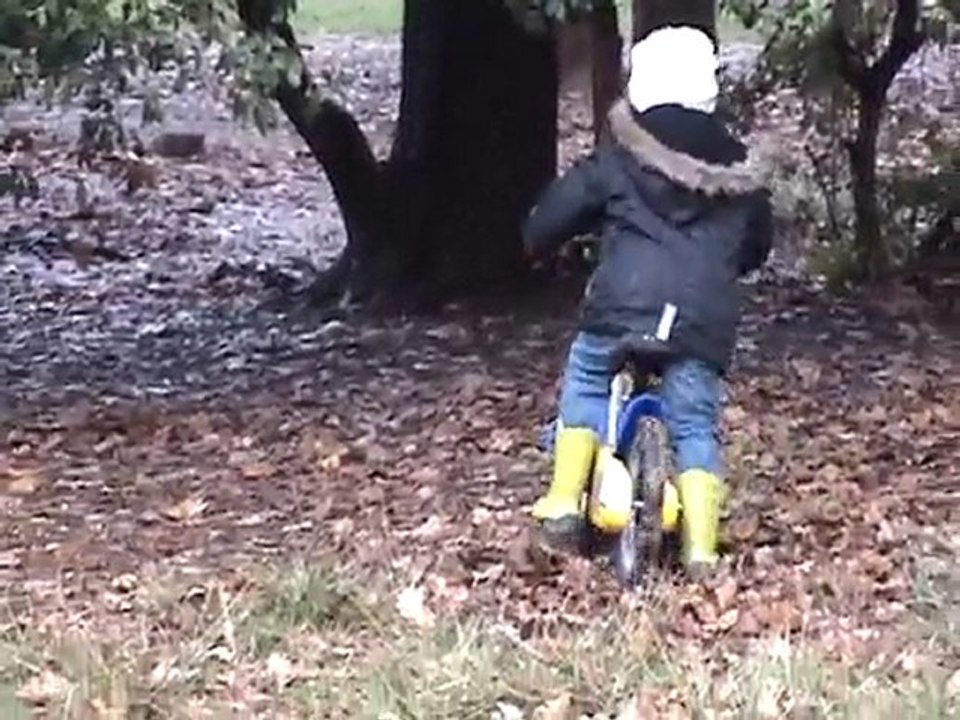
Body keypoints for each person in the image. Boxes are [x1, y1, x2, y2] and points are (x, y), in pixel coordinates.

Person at [524, 25, 773, 577]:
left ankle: (564, 503)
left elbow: (559, 212)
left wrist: (536, 239)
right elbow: (757, 245)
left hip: (622, 305)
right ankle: (703, 549)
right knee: (694, 424)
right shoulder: (739, 170)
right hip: (701, 320)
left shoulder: (619, 159)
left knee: (588, 374)